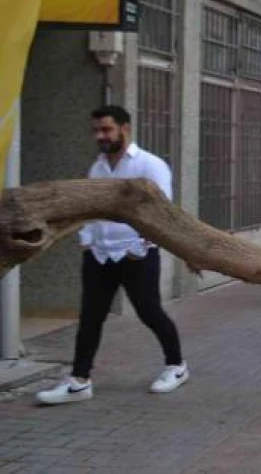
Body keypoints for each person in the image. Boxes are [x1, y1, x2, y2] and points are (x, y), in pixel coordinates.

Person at [36, 106, 189, 406]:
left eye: (106, 130)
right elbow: (88, 209)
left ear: (125, 129)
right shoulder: (98, 168)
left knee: (149, 312)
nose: (100, 136)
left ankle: (177, 366)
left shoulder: (150, 165)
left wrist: (140, 248)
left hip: (137, 254)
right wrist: (87, 240)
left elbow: (163, 213)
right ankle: (79, 381)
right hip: (100, 255)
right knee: (91, 317)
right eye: (96, 131)